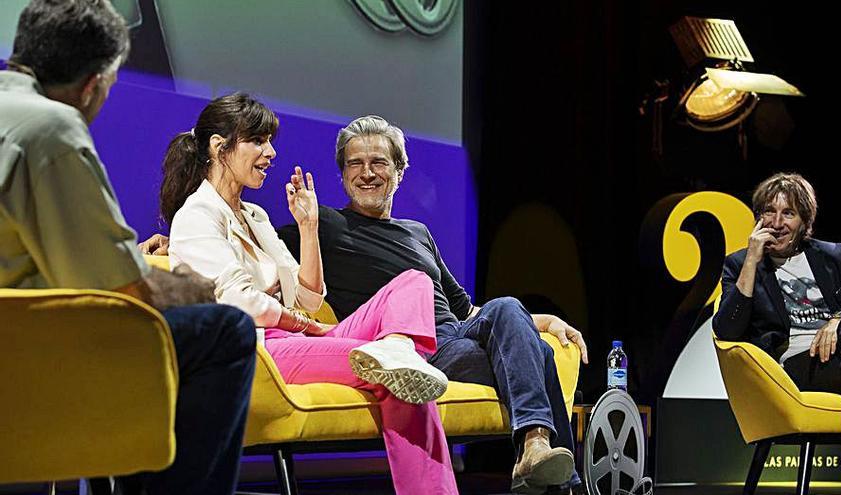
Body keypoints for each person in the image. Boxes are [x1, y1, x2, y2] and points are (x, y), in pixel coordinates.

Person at [0, 2, 256, 494]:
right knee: (226, 331)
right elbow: (123, 288)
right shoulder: (51, 127)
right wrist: (187, 287)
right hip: (29, 351)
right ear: (94, 83)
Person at [160, 94, 457, 494]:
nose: (271, 153)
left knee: (413, 282)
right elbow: (238, 299)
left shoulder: (256, 216)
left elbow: (309, 299)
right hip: (262, 349)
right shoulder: (196, 216)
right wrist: (297, 321)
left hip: (298, 337)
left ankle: (399, 348)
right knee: (395, 377)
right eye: (258, 141)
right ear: (219, 146)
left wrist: (309, 226)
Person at [278, 116, 589, 494]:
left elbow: (470, 312)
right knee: (537, 354)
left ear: (399, 172)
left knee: (509, 306)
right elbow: (262, 252)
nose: (366, 173)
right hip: (419, 349)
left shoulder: (417, 232)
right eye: (355, 163)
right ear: (343, 175)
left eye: (378, 162)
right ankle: (547, 466)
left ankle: (536, 448)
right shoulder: (324, 223)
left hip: (459, 334)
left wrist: (545, 320)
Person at [713, 172, 841, 491]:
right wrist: (751, 261)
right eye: (768, 212)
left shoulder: (836, 257)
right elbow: (726, 329)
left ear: (805, 222)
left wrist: (837, 319)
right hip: (797, 369)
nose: (776, 223)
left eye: (788, 213)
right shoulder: (739, 265)